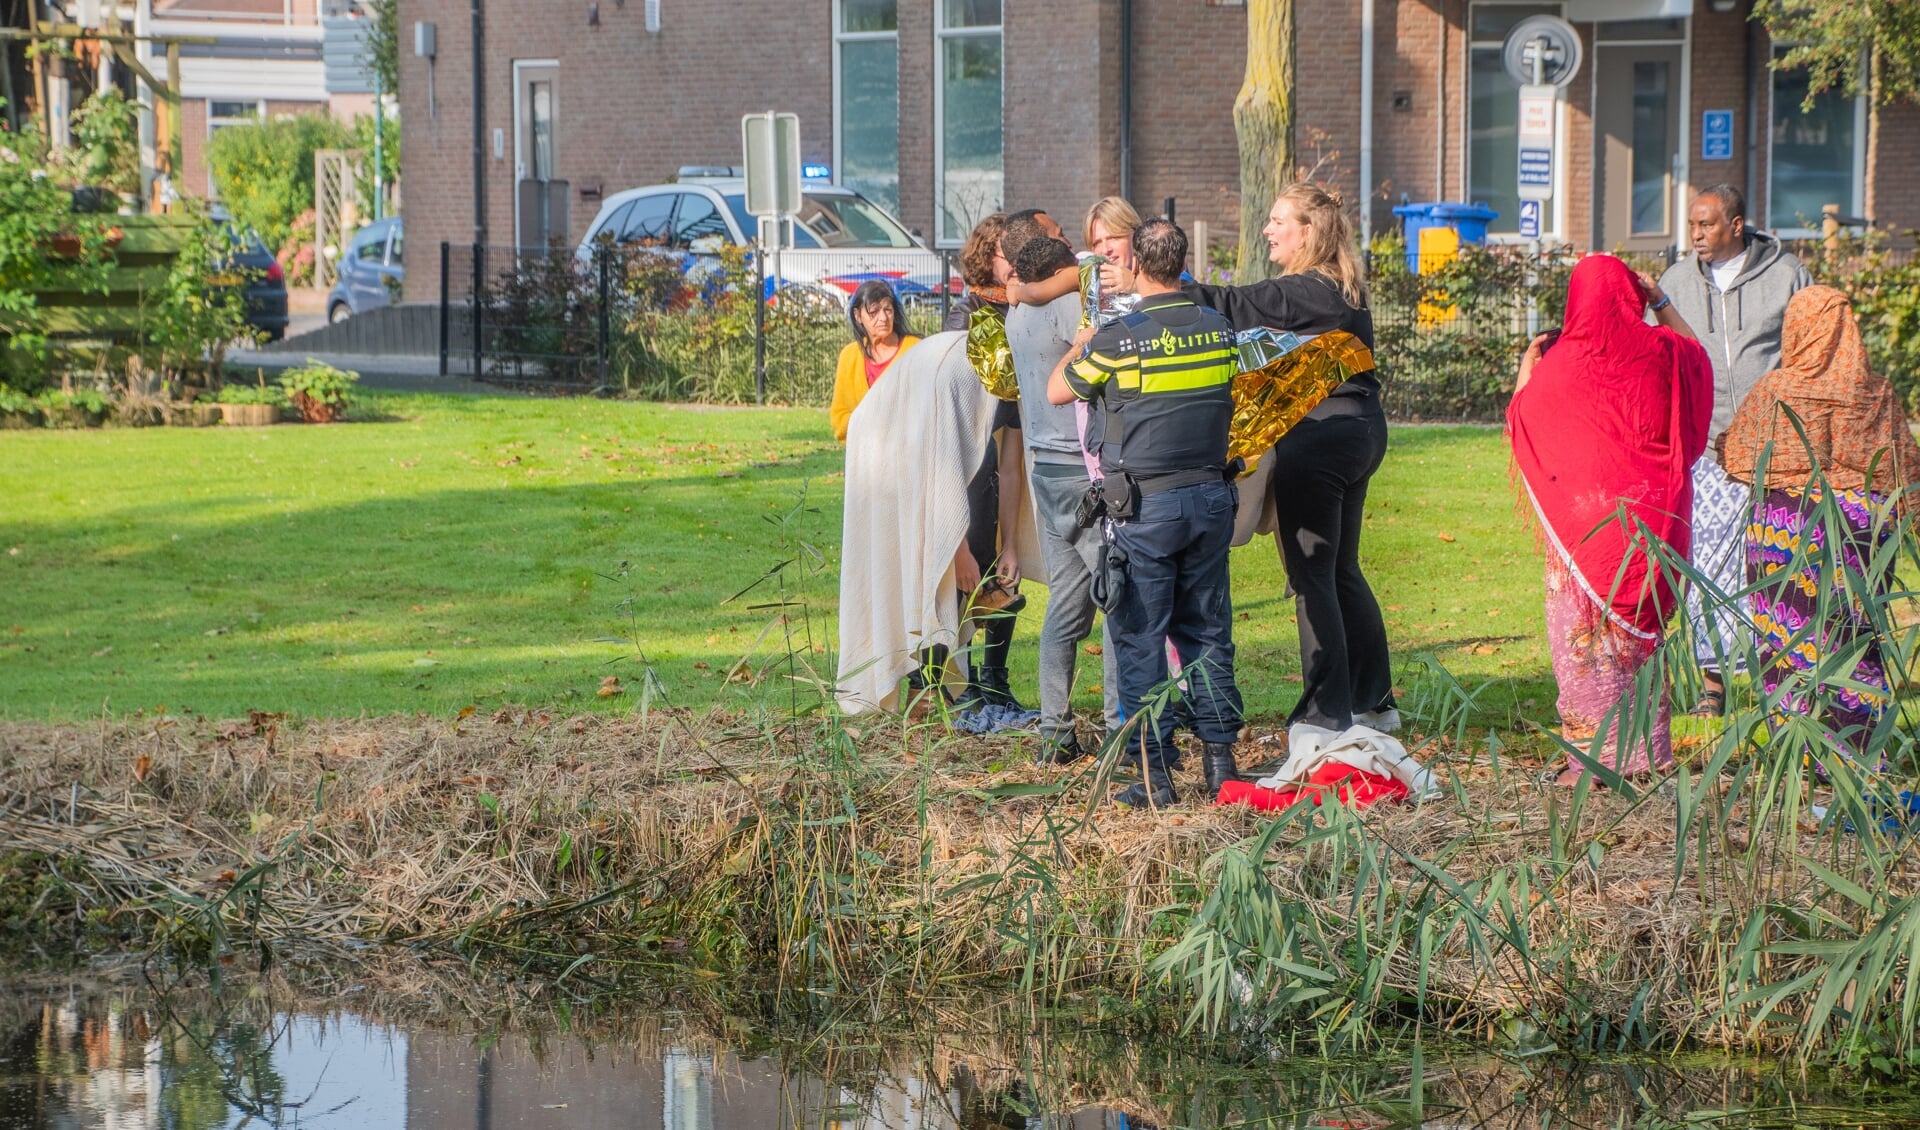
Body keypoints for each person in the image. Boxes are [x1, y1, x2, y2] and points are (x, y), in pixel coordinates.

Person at [1181, 183, 1396, 751]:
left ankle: (1326, 716)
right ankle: (1373, 702)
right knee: (1342, 569)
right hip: (1360, 431)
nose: (1268, 229)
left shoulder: (1311, 288)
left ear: (1309, 230)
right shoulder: (1339, 286)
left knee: (1311, 576)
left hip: (1322, 440)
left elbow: (1236, 305)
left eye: (1279, 221)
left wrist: (1163, 287)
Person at [1047, 218, 1245, 808]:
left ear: (1135, 266)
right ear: (1182, 265)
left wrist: (1083, 341)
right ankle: (1220, 765)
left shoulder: (1121, 338)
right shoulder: (1218, 330)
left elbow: (1061, 391)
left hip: (1144, 507)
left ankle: (1153, 777)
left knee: (1139, 636)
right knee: (1209, 634)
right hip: (1210, 501)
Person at [1508, 255, 1713, 787]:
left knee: (1583, 647)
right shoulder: (1663, 351)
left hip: (1585, 535)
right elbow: (1698, 359)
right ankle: (1648, 756)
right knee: (1640, 645)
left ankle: (1594, 764)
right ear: (1632, 295)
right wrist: (1662, 303)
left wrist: (1526, 369)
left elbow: (1523, 416)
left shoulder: (1559, 363)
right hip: (1653, 523)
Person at [1719, 285, 1920, 767]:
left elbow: (1740, 455)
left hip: (1785, 529)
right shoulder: (1877, 394)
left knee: (1786, 637)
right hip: (1862, 531)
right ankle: (1855, 751)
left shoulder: (1777, 389)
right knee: (1852, 634)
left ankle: (1797, 753)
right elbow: (1905, 470)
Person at [1658, 184, 1812, 715]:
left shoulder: (1786, 275)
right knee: (1710, 564)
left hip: (1776, 448)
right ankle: (1713, 686)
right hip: (1707, 449)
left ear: (1737, 224)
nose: (1695, 234)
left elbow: (1809, 348)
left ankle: (1783, 680)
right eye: (1692, 225)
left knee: (1777, 563)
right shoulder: (1674, 283)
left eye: (1706, 225)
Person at [836, 332, 1040, 716]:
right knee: (933, 569)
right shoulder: (955, 384)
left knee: (991, 562)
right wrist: (958, 552)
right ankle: (926, 683)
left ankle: (985, 680)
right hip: (904, 458)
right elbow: (939, 473)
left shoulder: (1011, 382)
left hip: (973, 464)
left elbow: (1011, 469)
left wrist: (1009, 545)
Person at [1008, 234, 1121, 761]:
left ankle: (1054, 732)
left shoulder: (1016, 313)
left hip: (1043, 469)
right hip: (1081, 469)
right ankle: (1123, 727)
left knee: (1067, 601)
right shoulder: (1065, 305)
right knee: (1121, 592)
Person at [945, 214, 1030, 711]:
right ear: (985, 256)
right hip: (959, 468)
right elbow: (948, 432)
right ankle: (953, 688)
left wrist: (1013, 542)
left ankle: (994, 681)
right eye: (1006, 251)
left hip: (994, 463)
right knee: (961, 574)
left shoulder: (1017, 315)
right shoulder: (966, 320)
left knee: (1003, 573)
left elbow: (1014, 447)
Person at [829, 280, 921, 443]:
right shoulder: (849, 356)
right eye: (874, 312)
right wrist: (870, 421)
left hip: (909, 452)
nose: (883, 318)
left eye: (888, 310)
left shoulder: (915, 349)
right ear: (858, 316)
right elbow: (839, 418)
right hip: (864, 456)